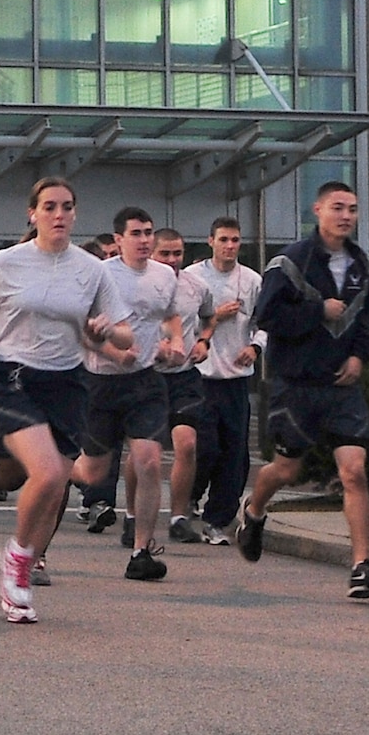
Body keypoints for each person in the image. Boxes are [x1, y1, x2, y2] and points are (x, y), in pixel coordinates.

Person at [0, 177, 131, 623]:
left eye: (67, 207)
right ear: (33, 214)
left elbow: (124, 332)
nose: (59, 215)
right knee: (51, 474)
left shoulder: (92, 269)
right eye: (49, 207)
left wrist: (105, 330)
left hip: (67, 382)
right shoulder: (8, 263)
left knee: (21, 478)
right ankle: (19, 562)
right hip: (11, 377)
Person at [234, 180, 369, 600]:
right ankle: (253, 512)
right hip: (296, 386)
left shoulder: (362, 266)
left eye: (353, 209)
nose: (346, 216)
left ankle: (361, 566)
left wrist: (360, 356)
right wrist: (316, 310)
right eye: (338, 207)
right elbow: (266, 316)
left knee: (354, 472)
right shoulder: (289, 262)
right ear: (318, 210)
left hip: (342, 389)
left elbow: (368, 320)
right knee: (287, 470)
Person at [71, 207, 177, 580]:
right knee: (92, 471)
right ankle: (51, 469)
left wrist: (172, 344)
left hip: (145, 382)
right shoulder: (100, 276)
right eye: (136, 233)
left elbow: (170, 316)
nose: (145, 240)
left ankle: (141, 552)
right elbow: (80, 331)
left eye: (149, 232)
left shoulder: (165, 275)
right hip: (101, 383)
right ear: (118, 240)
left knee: (149, 460)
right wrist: (115, 352)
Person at [188, 218, 264, 544]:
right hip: (200, 376)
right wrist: (215, 317)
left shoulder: (251, 281)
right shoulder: (193, 279)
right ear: (210, 241)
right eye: (223, 240)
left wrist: (255, 346)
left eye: (235, 240)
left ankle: (217, 519)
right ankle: (189, 493)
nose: (230, 246)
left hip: (235, 378)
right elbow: (180, 322)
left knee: (234, 453)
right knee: (204, 447)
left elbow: (266, 322)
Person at [150, 227, 218, 546]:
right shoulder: (137, 283)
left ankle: (179, 516)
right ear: (151, 252)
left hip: (184, 376)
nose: (173, 260)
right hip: (146, 375)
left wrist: (204, 341)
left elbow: (210, 316)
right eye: (165, 253)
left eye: (177, 253)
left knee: (187, 444)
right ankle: (136, 517)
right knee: (145, 451)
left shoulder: (195, 286)